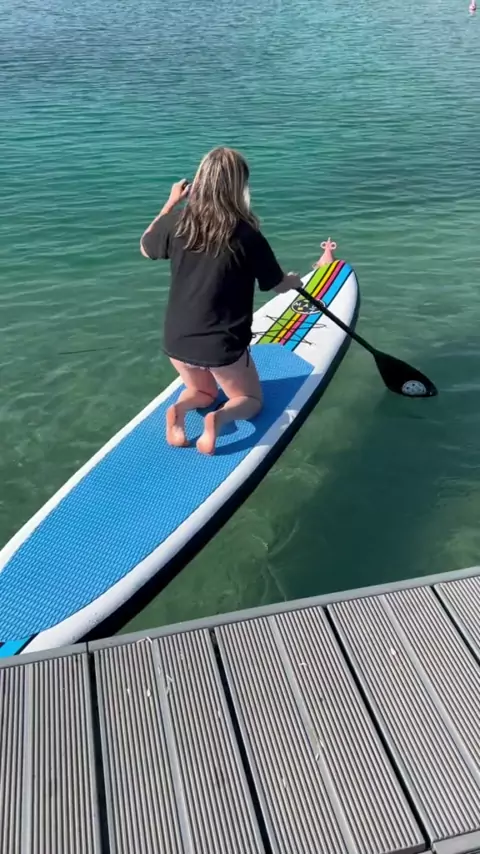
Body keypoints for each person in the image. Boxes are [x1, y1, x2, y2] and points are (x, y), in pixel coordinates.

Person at [140, 146, 302, 455]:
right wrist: (294, 281)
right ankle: (218, 419)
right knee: (250, 401)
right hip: (221, 347)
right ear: (239, 186)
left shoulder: (177, 223)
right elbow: (277, 285)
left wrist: (171, 203)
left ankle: (180, 411)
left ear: (200, 181)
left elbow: (146, 247)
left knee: (202, 391)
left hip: (176, 341)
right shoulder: (247, 235)